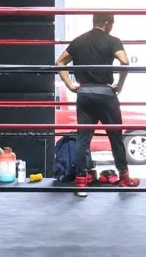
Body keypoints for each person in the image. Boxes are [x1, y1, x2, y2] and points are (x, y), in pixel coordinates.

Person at [57, 13, 136, 192]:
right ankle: (124, 178)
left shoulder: (78, 41)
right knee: (115, 138)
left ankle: (81, 181)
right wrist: (119, 85)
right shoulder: (112, 40)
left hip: (84, 93)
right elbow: (124, 61)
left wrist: (70, 85)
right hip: (106, 94)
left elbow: (60, 62)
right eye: (112, 24)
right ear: (108, 23)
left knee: (83, 139)